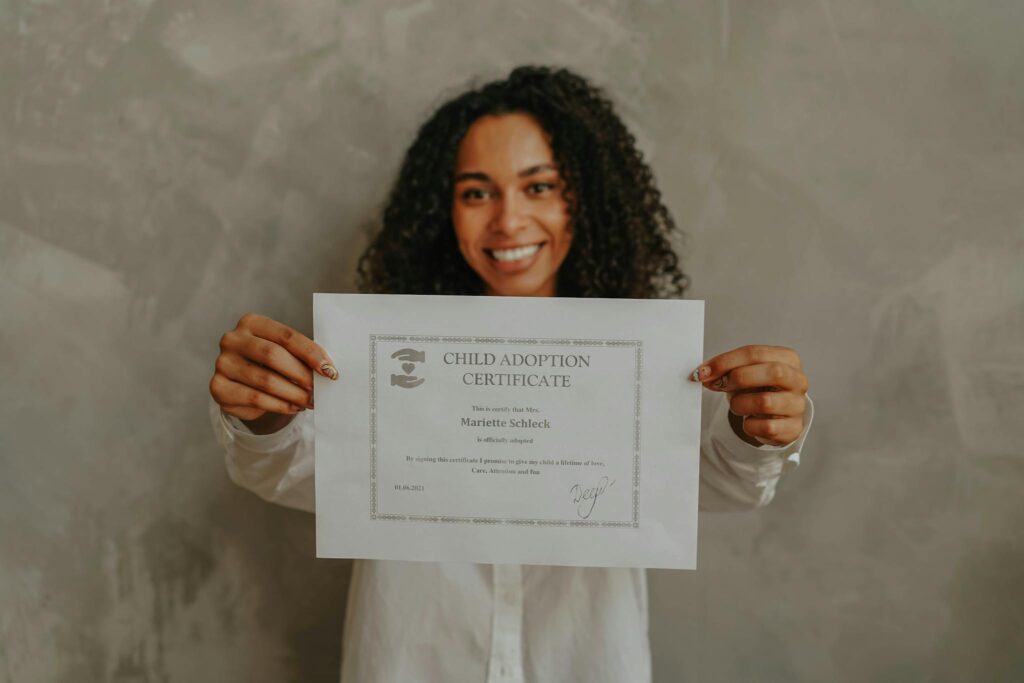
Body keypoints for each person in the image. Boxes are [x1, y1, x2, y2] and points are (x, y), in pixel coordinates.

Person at [209, 66, 813, 682]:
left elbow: (722, 486)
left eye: (539, 186)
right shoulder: (380, 365)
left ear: (586, 199)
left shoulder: (641, 373)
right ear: (444, 211)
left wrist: (758, 428)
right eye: (476, 192)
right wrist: (264, 412)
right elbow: (287, 470)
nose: (507, 220)